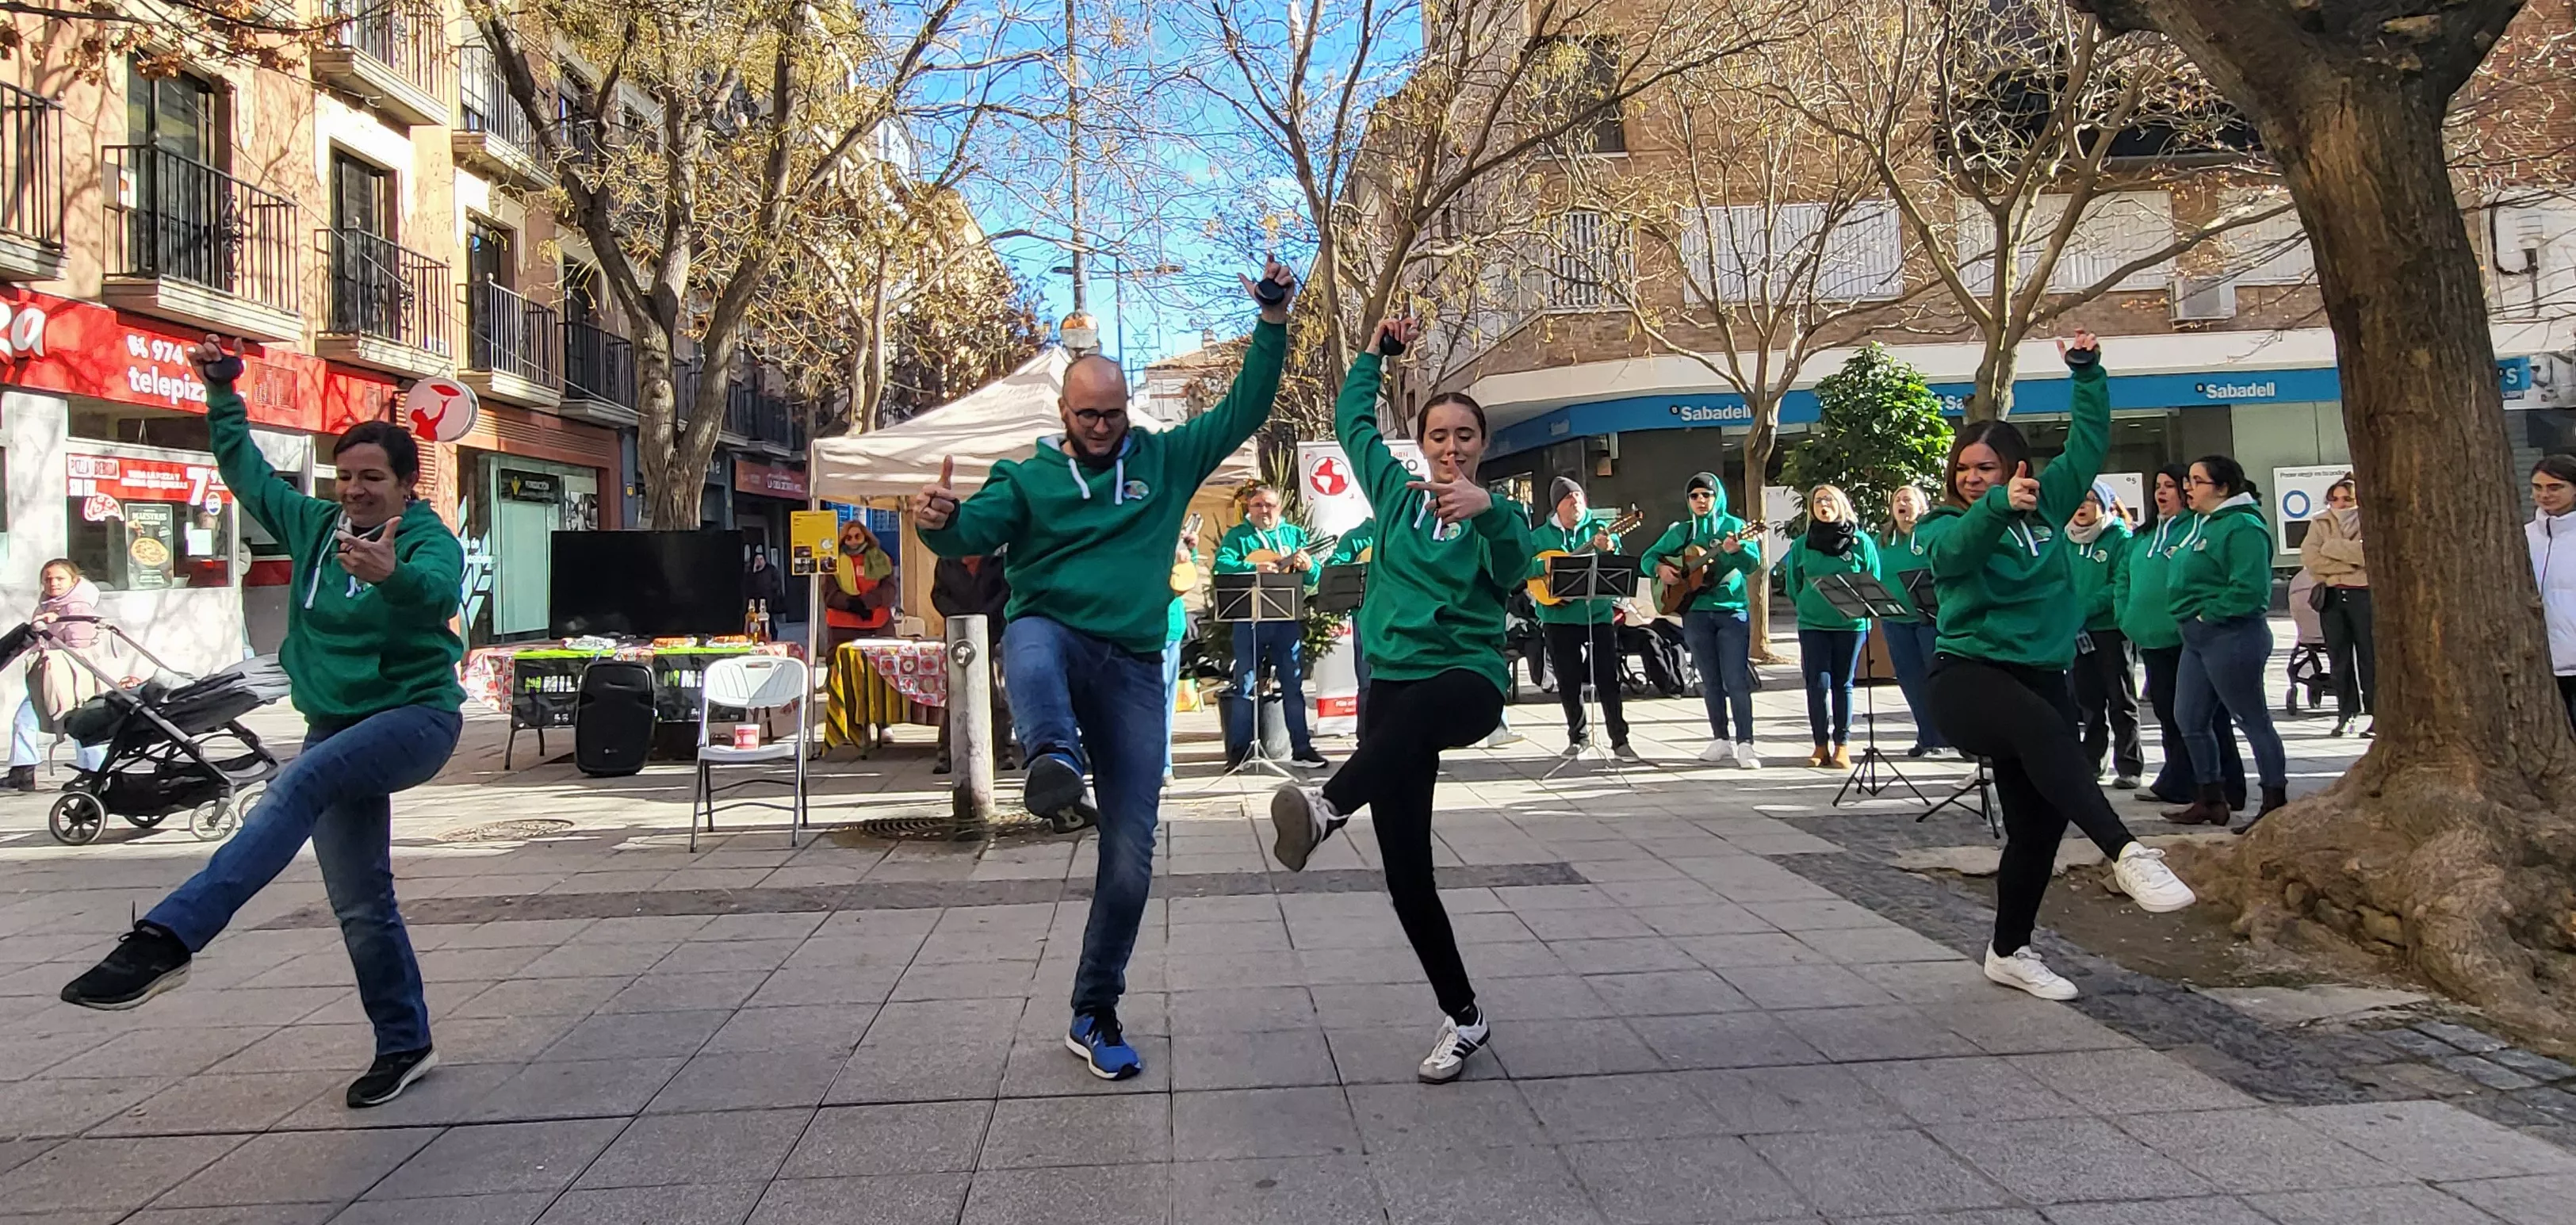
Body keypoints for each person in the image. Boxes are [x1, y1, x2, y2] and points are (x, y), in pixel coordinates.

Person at [61, 335, 466, 1109]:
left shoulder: (423, 539)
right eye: (346, 476)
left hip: (414, 720)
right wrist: (221, 390)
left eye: (372, 479)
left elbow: (439, 594)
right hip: (334, 726)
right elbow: (245, 470)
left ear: (407, 487)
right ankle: (405, 1042)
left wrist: (396, 577)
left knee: (298, 782)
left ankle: (169, 938)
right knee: (360, 901)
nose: (355, 490)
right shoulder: (314, 526)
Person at [913, 259, 1294, 1081]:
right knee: (1032, 633)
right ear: (1063, 412)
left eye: (1113, 414)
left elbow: (1246, 407)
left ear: (1130, 409)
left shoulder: (1165, 460)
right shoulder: (1029, 477)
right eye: (1087, 414)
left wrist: (1270, 320)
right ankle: (1051, 756)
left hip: (1130, 667)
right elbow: (966, 530)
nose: (1100, 426)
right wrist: (938, 521)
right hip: (1054, 637)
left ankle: (1094, 1011)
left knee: (1130, 856)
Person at [1268, 317, 1533, 1083]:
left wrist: (1494, 511)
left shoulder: (1493, 511)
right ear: (1419, 442)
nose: (1451, 447)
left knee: (1420, 712)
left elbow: (1515, 571)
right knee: (1406, 873)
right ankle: (1466, 1016)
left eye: (1465, 435)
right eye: (1438, 435)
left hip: (1466, 680)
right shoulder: (1392, 490)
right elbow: (1352, 419)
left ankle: (1326, 807)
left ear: (1482, 443)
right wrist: (1374, 357)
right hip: (1393, 689)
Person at [1916, 330, 2195, 1002]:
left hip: (2040, 672)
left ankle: (2009, 949)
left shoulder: (2049, 498)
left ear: (2015, 465)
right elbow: (1951, 558)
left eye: (1985, 468)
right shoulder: (1945, 523)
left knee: (2036, 827)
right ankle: (2127, 852)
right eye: (1963, 469)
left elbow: (2089, 439)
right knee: (2046, 732)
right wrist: (1988, 506)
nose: (1971, 477)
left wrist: (2086, 370)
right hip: (1967, 675)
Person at [2165, 454, 2292, 826]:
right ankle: (2210, 797)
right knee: (2188, 717)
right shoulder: (2203, 523)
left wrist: (2209, 613)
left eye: (2197, 481)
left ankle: (2273, 799)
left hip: (2231, 636)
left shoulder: (2242, 527)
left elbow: (2250, 590)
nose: (2188, 488)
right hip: (2197, 637)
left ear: (2222, 488)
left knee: (2251, 719)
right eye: (2187, 480)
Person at [2117, 465, 2247, 811]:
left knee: (2204, 715)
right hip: (2151, 639)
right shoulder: (2143, 536)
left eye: (2170, 486)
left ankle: (2226, 784)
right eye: (2157, 486)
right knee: (2168, 713)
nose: (2162, 493)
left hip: (2187, 637)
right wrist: (2125, 614)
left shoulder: (2196, 529)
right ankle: (2180, 780)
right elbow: (2123, 578)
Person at [1642, 473, 1763, 768]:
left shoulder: (1735, 527)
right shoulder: (1682, 532)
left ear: (1717, 497)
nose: (1700, 501)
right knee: (1710, 680)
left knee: (1735, 679)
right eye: (1694, 496)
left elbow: (1752, 564)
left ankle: (1746, 743)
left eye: (1706, 495)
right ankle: (1720, 739)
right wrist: (1660, 569)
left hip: (1731, 611)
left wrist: (1737, 551)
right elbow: (1647, 557)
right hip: (1695, 613)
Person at [1213, 484, 1327, 769]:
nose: (1264, 510)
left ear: (1280, 507)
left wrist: (1308, 566)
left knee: (1293, 684)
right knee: (1245, 684)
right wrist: (1254, 569)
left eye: (1269, 505)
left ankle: (1301, 748)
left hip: (1286, 620)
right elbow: (1222, 567)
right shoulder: (1238, 536)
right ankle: (1238, 753)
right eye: (1257, 505)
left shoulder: (1294, 535)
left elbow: (1315, 580)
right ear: (1249, 509)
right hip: (1249, 621)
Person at [1529, 477, 1636, 759]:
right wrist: (1544, 564)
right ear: (1557, 505)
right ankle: (1578, 738)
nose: (1575, 501)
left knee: (1608, 678)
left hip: (1597, 614)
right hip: (1557, 616)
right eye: (1568, 498)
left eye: (1578, 496)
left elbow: (1622, 566)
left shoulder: (1601, 530)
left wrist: (1610, 549)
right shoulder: (1540, 536)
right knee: (1568, 680)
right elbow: (1522, 567)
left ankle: (1620, 740)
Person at [1779, 484, 1878, 769]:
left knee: (1842, 684)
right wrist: (1809, 606)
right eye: (1818, 500)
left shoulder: (1861, 542)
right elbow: (1793, 585)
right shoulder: (1802, 544)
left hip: (1851, 625)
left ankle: (1842, 745)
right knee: (1816, 684)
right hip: (1813, 625)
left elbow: (1873, 579)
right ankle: (1819, 745)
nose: (1824, 505)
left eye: (1829, 500)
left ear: (1841, 505)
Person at [2068, 483, 2144, 788]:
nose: (2082, 505)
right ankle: (2092, 761)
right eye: (2078, 499)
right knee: (2087, 699)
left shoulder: (2120, 538)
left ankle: (2129, 766)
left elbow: (2119, 582)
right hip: (2077, 632)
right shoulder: (2066, 540)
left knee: (2120, 696)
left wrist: (2087, 606)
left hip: (2111, 629)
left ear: (2105, 504)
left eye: (2090, 499)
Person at [10, 559, 109, 790]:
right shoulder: (46, 605)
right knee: (25, 718)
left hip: (71, 675)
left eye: (60, 578)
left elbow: (80, 644)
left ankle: (95, 772)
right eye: (48, 579)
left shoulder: (77, 607)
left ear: (73, 581)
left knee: (80, 721)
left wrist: (60, 623)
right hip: (47, 673)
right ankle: (23, 768)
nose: (53, 583)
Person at [2300, 475, 2375, 737]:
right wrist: (2351, 562)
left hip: (2364, 595)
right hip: (2332, 597)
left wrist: (2332, 548)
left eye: (2347, 499)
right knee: (2339, 658)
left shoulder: (2370, 520)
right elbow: (2312, 560)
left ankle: (2378, 713)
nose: (2340, 504)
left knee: (2371, 657)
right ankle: (2347, 713)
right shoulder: (2320, 522)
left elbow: (2371, 555)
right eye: (2334, 499)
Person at [1876, 486, 1947, 758]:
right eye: (1897, 500)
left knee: (1938, 679)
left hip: (1929, 618)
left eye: (1908, 499)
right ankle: (1927, 737)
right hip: (1895, 620)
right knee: (1910, 680)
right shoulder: (1882, 541)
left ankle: (1952, 736)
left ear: (1921, 506)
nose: (1902, 504)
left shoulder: (1931, 535)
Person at [930, 550, 1014, 775]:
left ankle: (1002, 752)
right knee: (956, 694)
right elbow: (938, 594)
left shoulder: (998, 562)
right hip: (958, 634)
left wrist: (982, 617)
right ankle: (946, 755)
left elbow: (1006, 592)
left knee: (997, 694)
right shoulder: (946, 561)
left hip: (993, 633)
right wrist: (960, 618)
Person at [2528, 455, 2576, 730]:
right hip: (2539, 666)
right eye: (2538, 487)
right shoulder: (2521, 537)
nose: (2545, 495)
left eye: (2555, 487)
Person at [1326, 518, 1379, 738]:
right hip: (1367, 619)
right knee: (1367, 682)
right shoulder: (1357, 536)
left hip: (1404, 617)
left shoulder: (1410, 528)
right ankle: (1365, 741)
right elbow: (1335, 569)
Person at [823, 518, 897, 649]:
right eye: (849, 538)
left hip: (877, 625)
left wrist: (866, 603)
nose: (853, 541)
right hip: (842, 628)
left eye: (857, 536)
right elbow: (829, 594)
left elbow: (889, 590)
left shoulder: (882, 559)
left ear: (865, 537)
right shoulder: (832, 561)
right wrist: (852, 604)